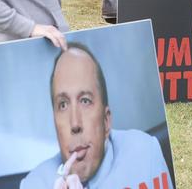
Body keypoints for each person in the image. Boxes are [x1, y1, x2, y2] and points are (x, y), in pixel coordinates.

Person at [21, 43, 173, 189]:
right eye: (63, 105)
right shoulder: (33, 185)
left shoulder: (145, 155)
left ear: (106, 121)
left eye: (85, 101)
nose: (75, 124)